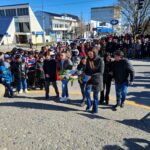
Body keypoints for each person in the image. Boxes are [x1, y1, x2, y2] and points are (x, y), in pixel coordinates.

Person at [85, 49, 104, 114]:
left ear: (94, 53)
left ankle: (95, 109)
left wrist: (91, 76)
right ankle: (89, 104)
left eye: (91, 54)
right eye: (88, 54)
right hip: (89, 79)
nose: (90, 55)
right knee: (87, 92)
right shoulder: (88, 59)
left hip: (97, 80)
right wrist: (82, 73)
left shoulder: (100, 60)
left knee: (95, 95)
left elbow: (101, 72)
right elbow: (87, 69)